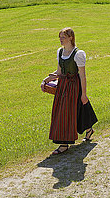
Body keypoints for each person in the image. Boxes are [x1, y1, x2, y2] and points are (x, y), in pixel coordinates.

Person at [42, 27, 98, 155]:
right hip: (62, 86)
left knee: (68, 113)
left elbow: (82, 75)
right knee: (67, 113)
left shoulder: (78, 54)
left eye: (63, 37)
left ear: (71, 38)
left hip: (73, 86)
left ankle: (64, 144)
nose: (61, 40)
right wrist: (45, 80)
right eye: (60, 37)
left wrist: (84, 94)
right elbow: (59, 72)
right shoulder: (60, 52)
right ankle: (88, 130)